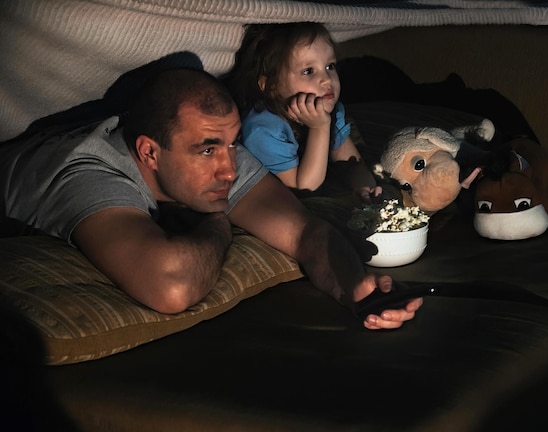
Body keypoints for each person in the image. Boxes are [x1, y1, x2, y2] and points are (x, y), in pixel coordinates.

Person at [0, 67, 421, 330]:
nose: (229, 169)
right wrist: (219, 220)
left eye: (232, 144)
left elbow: (306, 232)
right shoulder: (89, 173)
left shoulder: (216, 155)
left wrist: (356, 288)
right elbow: (172, 288)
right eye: (207, 150)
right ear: (149, 152)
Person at [223, 22, 382, 202]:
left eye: (330, 66)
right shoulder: (264, 129)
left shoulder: (328, 111)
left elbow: (351, 163)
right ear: (271, 87)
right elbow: (305, 188)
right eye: (308, 71)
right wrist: (320, 128)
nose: (326, 80)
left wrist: (365, 187)